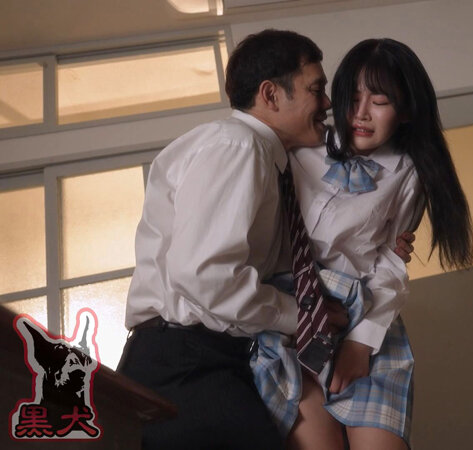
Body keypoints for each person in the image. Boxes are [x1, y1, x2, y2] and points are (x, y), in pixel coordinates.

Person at [117, 29, 350, 449]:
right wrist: (300, 317)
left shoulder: (267, 159)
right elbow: (205, 275)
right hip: (186, 360)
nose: (328, 103)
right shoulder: (238, 145)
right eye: (316, 89)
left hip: (206, 356)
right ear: (271, 95)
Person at [251, 38, 473, 450]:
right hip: (290, 318)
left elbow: (390, 263)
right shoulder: (300, 146)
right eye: (352, 98)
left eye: (380, 101)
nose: (361, 113)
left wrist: (360, 342)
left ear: (405, 110)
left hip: (364, 317)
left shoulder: (407, 173)